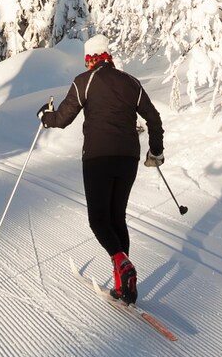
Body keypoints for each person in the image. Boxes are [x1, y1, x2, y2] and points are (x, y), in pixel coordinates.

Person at [38, 34, 164, 304]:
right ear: (108, 56)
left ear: (90, 58)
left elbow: (62, 119)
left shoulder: (84, 81)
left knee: (98, 220)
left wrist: (45, 117)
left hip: (97, 157)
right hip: (128, 158)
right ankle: (124, 285)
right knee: (117, 218)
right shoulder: (131, 82)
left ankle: (122, 264)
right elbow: (153, 118)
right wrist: (156, 151)